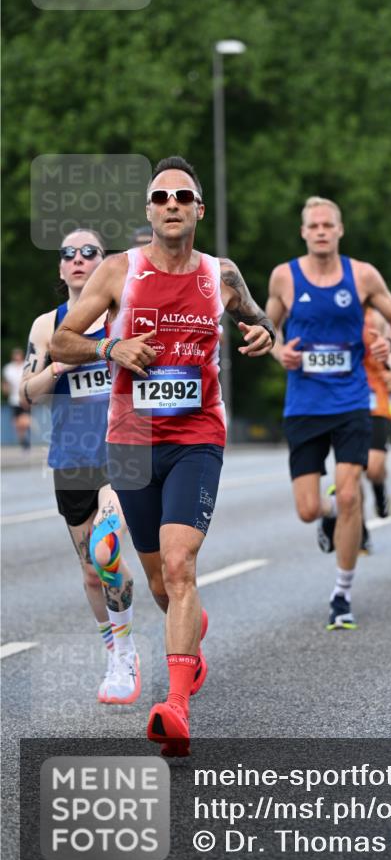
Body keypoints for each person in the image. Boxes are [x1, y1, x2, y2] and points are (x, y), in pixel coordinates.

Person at [52, 156, 275, 755]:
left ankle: (175, 708)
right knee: (157, 579)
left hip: (197, 436)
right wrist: (112, 345)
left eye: (183, 195)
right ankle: (189, 633)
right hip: (130, 441)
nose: (171, 203)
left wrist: (263, 334)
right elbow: (61, 340)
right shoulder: (119, 272)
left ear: (199, 209)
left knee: (179, 567)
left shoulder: (220, 274)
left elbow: (258, 322)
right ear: (149, 210)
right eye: (160, 196)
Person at [266, 196, 391, 630]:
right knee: (309, 509)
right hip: (304, 404)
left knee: (348, 494)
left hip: (351, 401)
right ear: (304, 232)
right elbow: (263, 326)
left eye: (329, 224)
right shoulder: (284, 278)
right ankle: (330, 517)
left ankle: (342, 594)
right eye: (314, 225)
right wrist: (279, 352)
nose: (322, 231)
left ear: (340, 230)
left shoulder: (362, 275)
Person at [20, 229, 139, 703]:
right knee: (93, 571)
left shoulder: (123, 317)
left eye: (89, 252)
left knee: (106, 550)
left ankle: (125, 658)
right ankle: (114, 647)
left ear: (104, 263)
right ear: (60, 267)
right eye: (68, 253)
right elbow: (26, 391)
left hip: (122, 451)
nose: (77, 259)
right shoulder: (46, 326)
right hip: (70, 458)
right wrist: (58, 367)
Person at [359, 307, 391, 553]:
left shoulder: (376, 316)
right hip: (339, 397)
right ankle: (360, 531)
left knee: (373, 467)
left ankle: (379, 487)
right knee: (350, 470)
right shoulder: (326, 307)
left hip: (375, 397)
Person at [2, 347, 31, 449]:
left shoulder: (26, 366)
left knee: (25, 420)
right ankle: (23, 440)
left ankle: (26, 434)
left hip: (25, 397)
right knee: (17, 423)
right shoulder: (8, 368)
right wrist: (5, 389)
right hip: (14, 399)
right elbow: (5, 383)